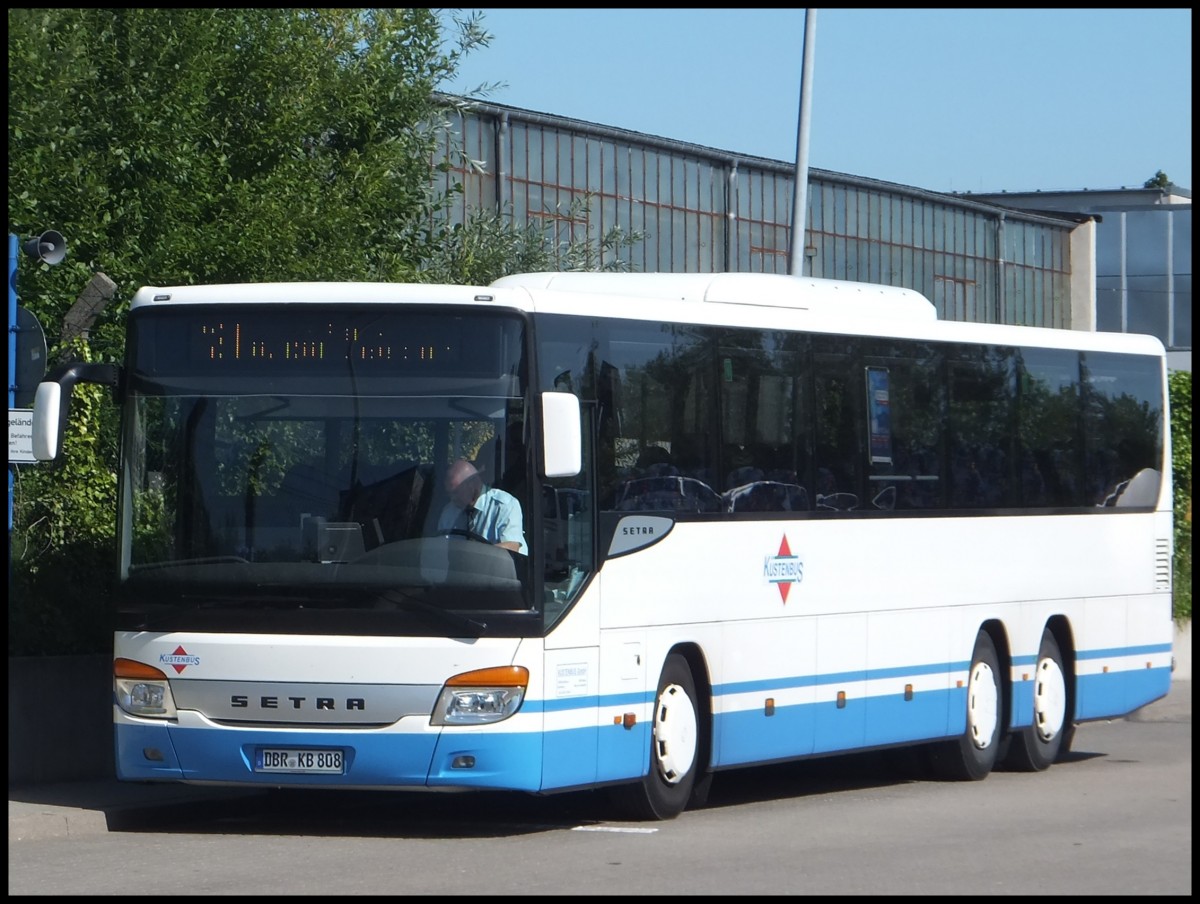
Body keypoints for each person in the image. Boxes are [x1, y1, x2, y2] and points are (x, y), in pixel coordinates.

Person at [437, 458, 527, 555]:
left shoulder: (504, 505)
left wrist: (472, 557)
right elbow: (441, 550)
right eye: (449, 494)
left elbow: (511, 549)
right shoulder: (449, 511)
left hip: (499, 568)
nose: (452, 498)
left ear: (473, 484)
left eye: (455, 493)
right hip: (459, 569)